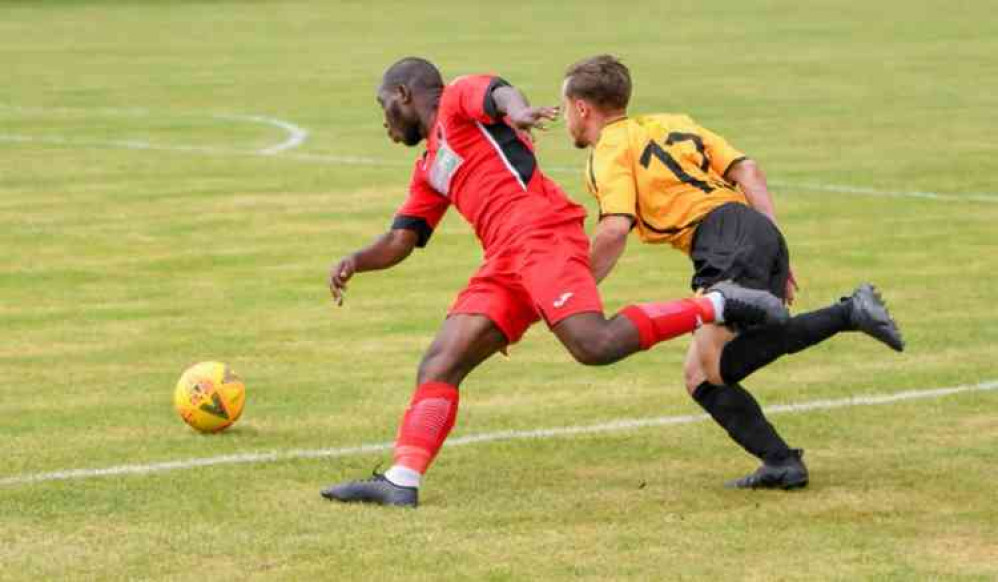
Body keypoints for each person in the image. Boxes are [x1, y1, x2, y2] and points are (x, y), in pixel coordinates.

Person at [320, 57, 790, 508]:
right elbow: (402, 239)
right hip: (502, 260)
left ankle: (718, 305)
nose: (385, 121)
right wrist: (355, 260)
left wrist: (517, 110)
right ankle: (402, 480)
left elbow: (496, 91)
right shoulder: (428, 168)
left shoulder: (456, 98)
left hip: (542, 232)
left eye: (384, 106)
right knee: (440, 363)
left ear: (403, 94)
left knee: (594, 344)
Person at [559, 55, 904, 490]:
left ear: (581, 107)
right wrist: (776, 246)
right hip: (753, 231)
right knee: (699, 375)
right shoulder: (671, 122)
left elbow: (613, 229)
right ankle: (781, 462)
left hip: (723, 240)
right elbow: (748, 170)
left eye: (566, 108)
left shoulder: (607, 150)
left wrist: (574, 291)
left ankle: (848, 313)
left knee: (717, 366)